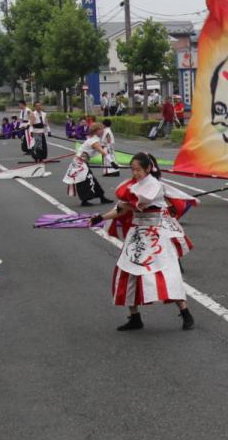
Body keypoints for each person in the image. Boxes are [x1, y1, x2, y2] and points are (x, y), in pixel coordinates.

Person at [90, 153, 196, 331]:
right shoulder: (133, 186)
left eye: (138, 169)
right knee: (127, 272)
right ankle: (134, 317)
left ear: (148, 168)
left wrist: (124, 205)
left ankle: (185, 313)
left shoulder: (155, 186)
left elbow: (137, 204)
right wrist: (100, 217)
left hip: (156, 234)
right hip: (137, 233)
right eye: (132, 169)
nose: (135, 173)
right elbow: (122, 209)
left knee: (166, 274)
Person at [63, 121, 113, 207]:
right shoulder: (93, 141)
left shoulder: (95, 139)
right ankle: (84, 200)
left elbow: (102, 147)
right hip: (80, 163)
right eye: (101, 129)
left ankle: (102, 197)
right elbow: (103, 152)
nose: (103, 131)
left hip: (82, 162)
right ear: (97, 131)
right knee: (84, 180)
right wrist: (112, 162)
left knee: (91, 179)